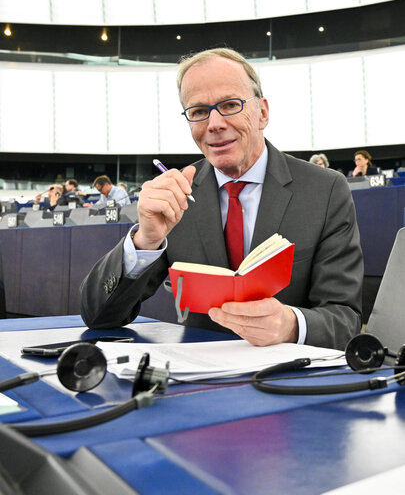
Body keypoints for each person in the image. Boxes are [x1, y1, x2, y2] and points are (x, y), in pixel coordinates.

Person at [80, 48, 363, 351]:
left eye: (230, 105)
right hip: (198, 384)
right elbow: (98, 315)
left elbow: (345, 319)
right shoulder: (176, 196)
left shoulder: (325, 190)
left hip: (290, 380)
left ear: (262, 112)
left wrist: (291, 325)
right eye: (199, 111)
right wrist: (144, 241)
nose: (213, 123)